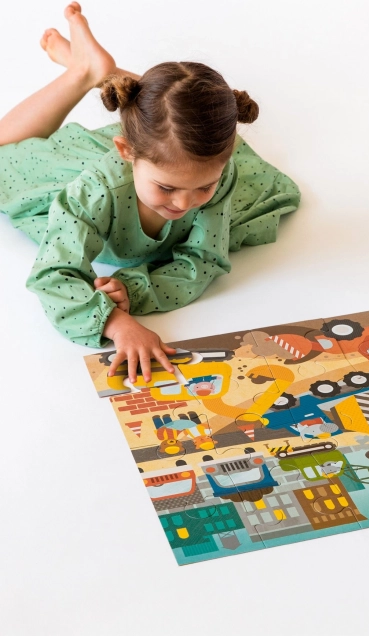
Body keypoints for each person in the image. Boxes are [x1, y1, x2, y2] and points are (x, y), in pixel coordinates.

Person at [0, 3, 301, 384]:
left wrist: (133, 289)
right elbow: (53, 274)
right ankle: (84, 72)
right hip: (98, 170)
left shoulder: (218, 171)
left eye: (204, 187)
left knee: (176, 121)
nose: (184, 203)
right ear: (126, 151)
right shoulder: (95, 191)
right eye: (166, 188)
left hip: (162, 148)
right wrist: (115, 323)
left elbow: (203, 260)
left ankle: (105, 75)